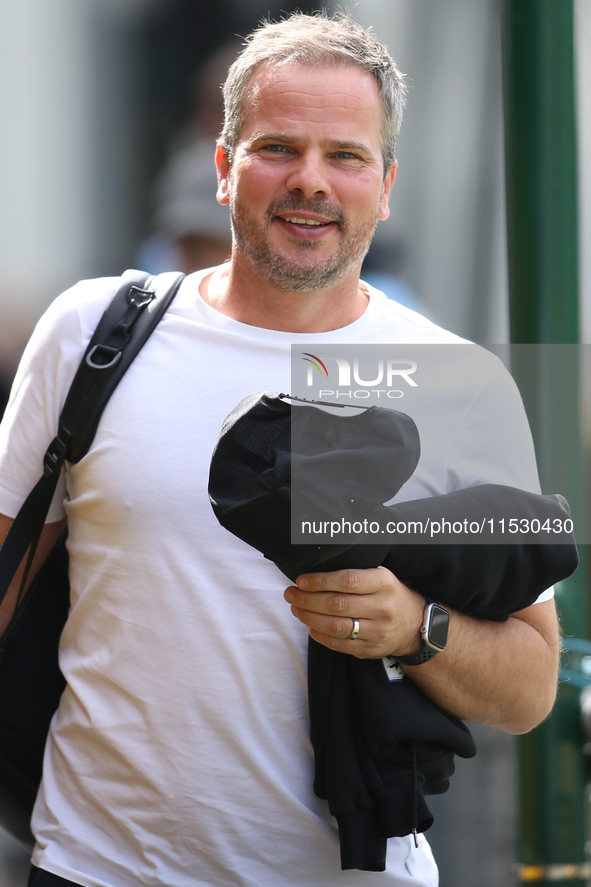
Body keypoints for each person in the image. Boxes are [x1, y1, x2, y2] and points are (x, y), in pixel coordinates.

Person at [0, 12, 560, 887]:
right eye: (275, 148)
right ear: (223, 168)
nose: (310, 181)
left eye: (345, 155)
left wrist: (417, 627)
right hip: (94, 863)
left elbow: (529, 689)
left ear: (386, 183)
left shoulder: (457, 382)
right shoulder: (90, 334)